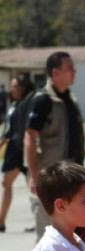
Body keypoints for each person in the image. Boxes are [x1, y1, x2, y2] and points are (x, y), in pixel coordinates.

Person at [24, 52, 85, 241]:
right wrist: (34, 177)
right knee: (47, 240)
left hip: (70, 180)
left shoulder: (70, 99)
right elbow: (30, 137)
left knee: (69, 240)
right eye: (69, 68)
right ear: (55, 72)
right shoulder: (43, 100)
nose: (74, 72)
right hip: (48, 181)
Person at [1, 74, 35, 232]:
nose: (11, 89)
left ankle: (40, 220)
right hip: (15, 148)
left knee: (31, 185)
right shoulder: (15, 105)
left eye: (14, 86)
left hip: (20, 149)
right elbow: (8, 129)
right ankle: (1, 221)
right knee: (8, 184)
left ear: (23, 88)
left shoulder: (28, 103)